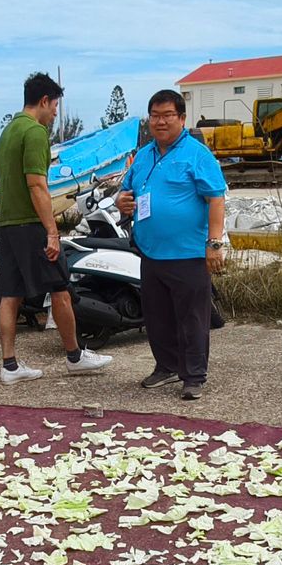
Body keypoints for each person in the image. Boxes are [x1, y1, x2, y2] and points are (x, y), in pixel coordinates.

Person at [0, 73, 111, 384]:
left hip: (7, 226)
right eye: (55, 106)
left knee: (10, 294)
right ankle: (75, 356)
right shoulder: (35, 132)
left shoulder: (8, 131)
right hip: (31, 226)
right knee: (60, 288)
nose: (55, 113)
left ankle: (9, 366)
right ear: (44, 101)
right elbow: (37, 185)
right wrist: (52, 232)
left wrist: (14, 192)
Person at [115, 89, 229, 401]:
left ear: (181, 118)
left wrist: (214, 244)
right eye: (155, 116)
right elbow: (126, 192)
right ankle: (166, 367)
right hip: (151, 252)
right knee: (157, 318)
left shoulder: (197, 154)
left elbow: (216, 199)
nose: (160, 122)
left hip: (188, 254)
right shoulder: (144, 156)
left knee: (192, 319)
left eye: (167, 115)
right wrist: (121, 201)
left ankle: (193, 376)